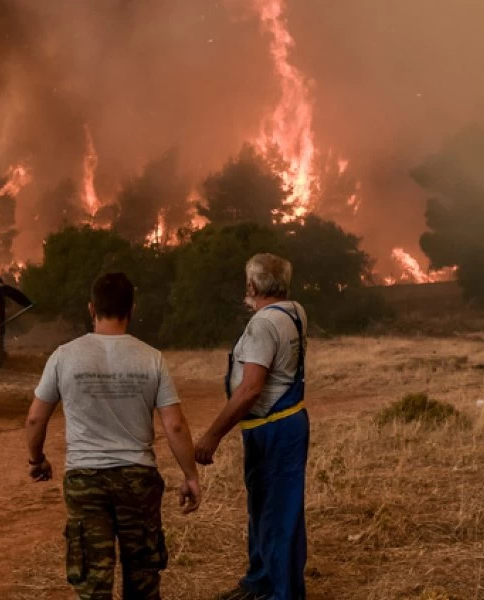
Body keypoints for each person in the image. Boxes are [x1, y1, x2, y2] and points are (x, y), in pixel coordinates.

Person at [24, 272, 202, 600]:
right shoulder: (151, 358)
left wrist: (37, 460)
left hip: (85, 481)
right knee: (143, 580)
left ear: (92, 309)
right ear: (131, 310)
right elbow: (175, 426)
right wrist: (190, 474)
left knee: (93, 584)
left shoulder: (65, 356)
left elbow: (36, 418)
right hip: (138, 479)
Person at [195, 253, 310, 600]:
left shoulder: (262, 325)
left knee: (277, 512)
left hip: (273, 427)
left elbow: (251, 388)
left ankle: (281, 593)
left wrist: (212, 436)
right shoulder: (295, 311)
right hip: (286, 422)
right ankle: (260, 580)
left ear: (252, 285)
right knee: (266, 505)